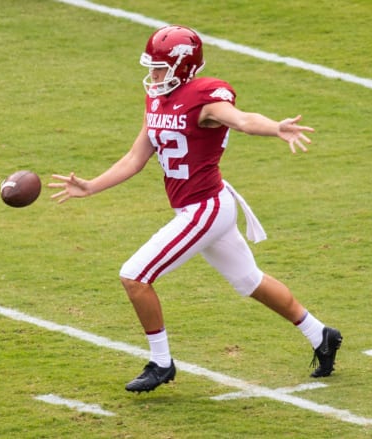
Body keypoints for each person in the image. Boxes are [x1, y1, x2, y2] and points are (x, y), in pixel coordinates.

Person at [49, 25, 342, 393]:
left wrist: (275, 127)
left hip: (204, 208)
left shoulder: (204, 98)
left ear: (182, 66)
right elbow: (136, 157)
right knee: (250, 281)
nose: (152, 75)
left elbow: (242, 120)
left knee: (134, 274)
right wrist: (91, 186)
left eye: (159, 67)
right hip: (201, 207)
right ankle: (322, 335)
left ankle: (161, 362)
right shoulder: (156, 99)